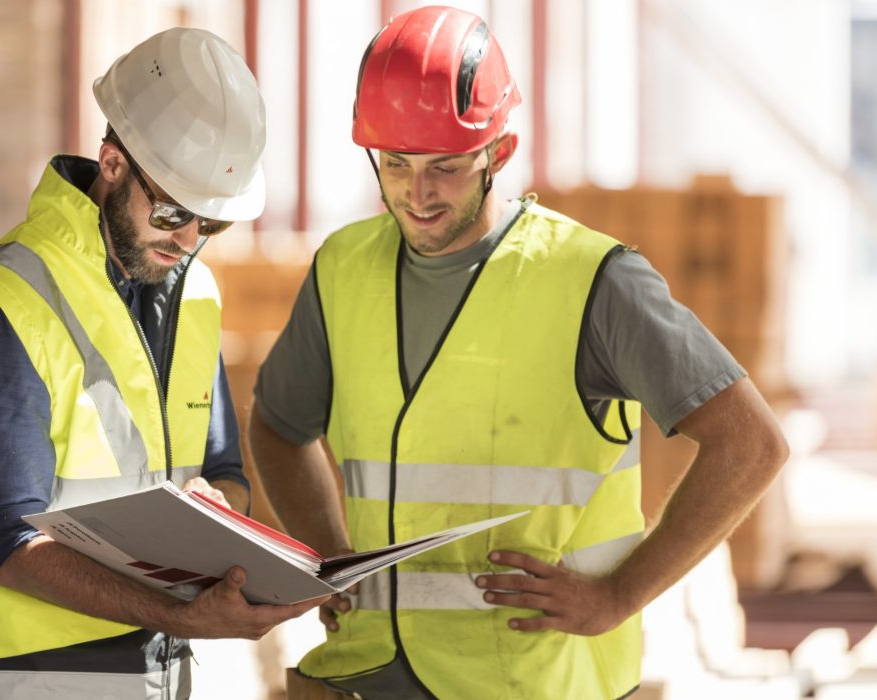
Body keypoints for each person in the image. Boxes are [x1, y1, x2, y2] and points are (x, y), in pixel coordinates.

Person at [249, 6, 789, 699]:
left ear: (498, 153)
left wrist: (620, 595)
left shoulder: (594, 281)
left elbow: (751, 445)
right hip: (370, 675)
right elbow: (278, 424)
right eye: (396, 164)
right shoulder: (341, 269)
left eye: (445, 166)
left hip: (533, 680)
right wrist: (330, 557)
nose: (418, 194)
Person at [0, 27, 321, 699]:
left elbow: (220, 471)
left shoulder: (193, 293)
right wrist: (184, 613)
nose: (188, 239)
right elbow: (5, 547)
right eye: (171, 210)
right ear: (111, 164)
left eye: (209, 224)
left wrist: (220, 519)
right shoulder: (1, 306)